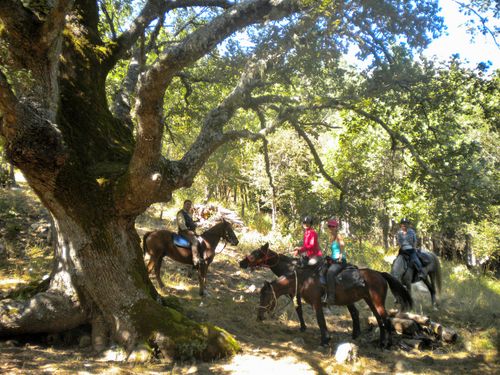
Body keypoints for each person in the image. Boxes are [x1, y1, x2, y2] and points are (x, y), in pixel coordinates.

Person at [322, 218, 346, 304]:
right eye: (329, 226)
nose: (331, 227)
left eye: (332, 226)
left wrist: (340, 257)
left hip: (340, 260)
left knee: (330, 273)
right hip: (333, 260)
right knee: (322, 270)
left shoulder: (339, 236)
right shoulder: (332, 237)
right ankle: (323, 294)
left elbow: (342, 246)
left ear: (336, 227)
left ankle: (331, 297)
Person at [177, 200, 202, 266]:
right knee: (195, 241)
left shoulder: (189, 213)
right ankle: (195, 259)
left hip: (191, 232)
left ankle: (200, 256)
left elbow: (190, 223)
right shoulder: (180, 213)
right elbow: (181, 224)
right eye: (187, 204)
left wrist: (196, 222)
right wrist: (188, 231)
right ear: (184, 205)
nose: (189, 206)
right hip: (183, 232)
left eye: (190, 205)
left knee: (201, 240)